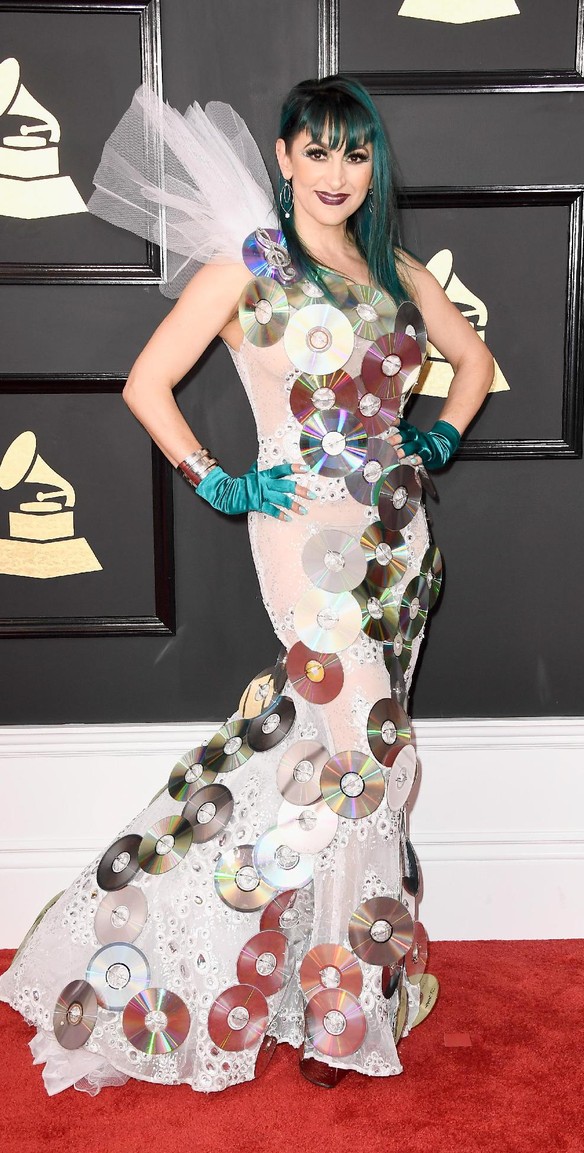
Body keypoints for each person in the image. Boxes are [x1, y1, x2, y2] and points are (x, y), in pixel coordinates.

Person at [0, 76, 493, 1096]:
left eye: (355, 153)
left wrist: (439, 434)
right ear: (283, 159)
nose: (336, 173)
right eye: (317, 151)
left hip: (399, 547)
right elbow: (146, 384)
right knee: (368, 760)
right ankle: (339, 1011)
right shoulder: (245, 267)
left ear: (372, 166)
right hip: (302, 538)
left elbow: (472, 361)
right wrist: (218, 480)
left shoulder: (396, 272)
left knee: (335, 758)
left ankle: (324, 976)